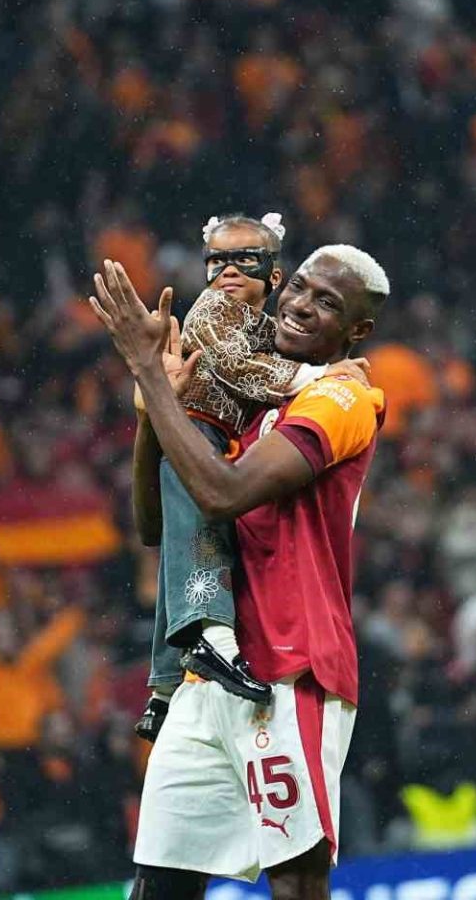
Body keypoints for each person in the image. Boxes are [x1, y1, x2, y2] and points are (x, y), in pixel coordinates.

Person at [89, 244, 388, 898]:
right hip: (207, 673)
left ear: (357, 330)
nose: (301, 305)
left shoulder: (343, 397)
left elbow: (223, 492)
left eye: (327, 302)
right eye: (300, 287)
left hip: (288, 664)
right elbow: (155, 525)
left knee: (296, 881)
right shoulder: (249, 396)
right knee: (160, 883)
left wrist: (147, 369)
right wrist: (154, 405)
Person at [136, 212, 369, 740]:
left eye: (245, 260)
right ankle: (213, 644)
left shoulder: (268, 330)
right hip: (198, 428)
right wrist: (316, 374)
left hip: (210, 436)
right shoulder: (213, 311)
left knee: (181, 547)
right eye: (217, 260)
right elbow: (237, 366)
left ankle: (163, 687)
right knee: (197, 535)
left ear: (273, 275)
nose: (228, 271)